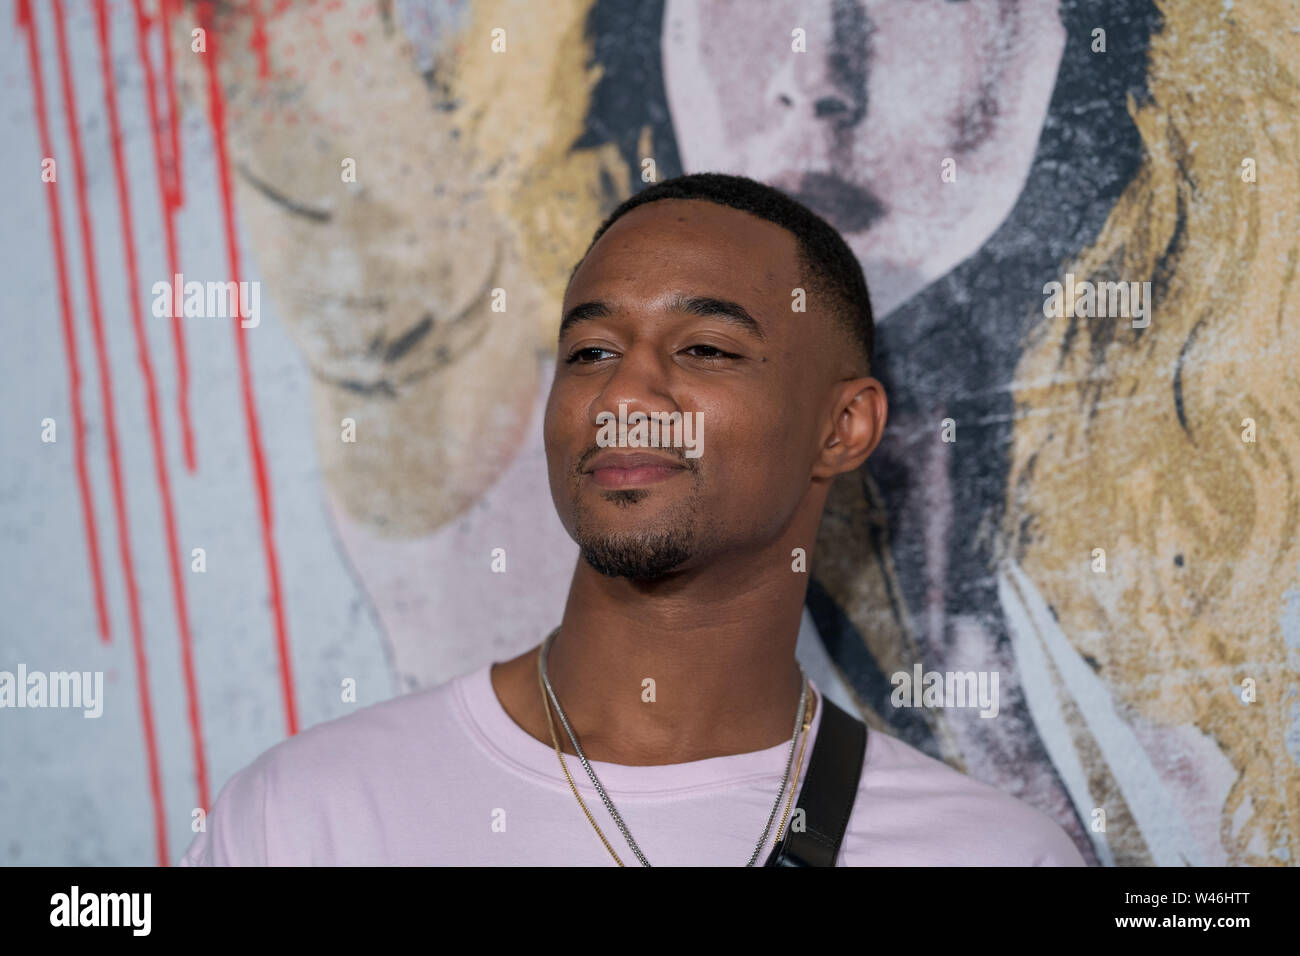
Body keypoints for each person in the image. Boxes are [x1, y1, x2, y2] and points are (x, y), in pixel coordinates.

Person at [180, 173, 1084, 866]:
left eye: (705, 349)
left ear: (843, 428)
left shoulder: (986, 854)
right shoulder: (308, 818)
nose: (626, 393)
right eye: (592, 350)